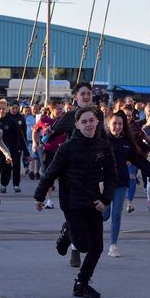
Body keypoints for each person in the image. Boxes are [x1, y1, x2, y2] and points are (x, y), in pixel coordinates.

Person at [34, 106, 117, 298]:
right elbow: (51, 173)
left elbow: (112, 176)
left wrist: (106, 199)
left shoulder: (103, 146)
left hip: (94, 202)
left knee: (97, 248)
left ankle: (81, 283)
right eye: (84, 122)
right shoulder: (67, 148)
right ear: (77, 125)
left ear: (97, 122)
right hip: (72, 203)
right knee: (83, 244)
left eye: (92, 121)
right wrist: (39, 196)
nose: (89, 125)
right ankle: (68, 232)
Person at [48, 82, 106, 268]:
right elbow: (52, 133)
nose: (86, 96)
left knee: (91, 210)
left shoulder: (99, 115)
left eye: (89, 93)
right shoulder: (69, 116)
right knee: (76, 209)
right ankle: (75, 249)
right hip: (73, 170)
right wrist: (45, 136)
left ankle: (69, 232)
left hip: (93, 168)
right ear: (76, 97)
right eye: (83, 94)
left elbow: (101, 137)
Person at [104, 111, 150, 257]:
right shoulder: (102, 140)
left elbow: (138, 159)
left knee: (117, 214)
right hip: (104, 182)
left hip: (120, 181)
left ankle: (113, 245)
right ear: (108, 124)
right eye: (115, 123)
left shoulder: (127, 141)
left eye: (120, 124)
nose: (118, 126)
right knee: (104, 215)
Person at [0, 99, 30, 194]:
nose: (1, 111)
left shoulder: (12, 121)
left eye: (3, 109)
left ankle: (6, 184)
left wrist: (26, 152)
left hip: (11, 149)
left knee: (9, 169)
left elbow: (21, 136)